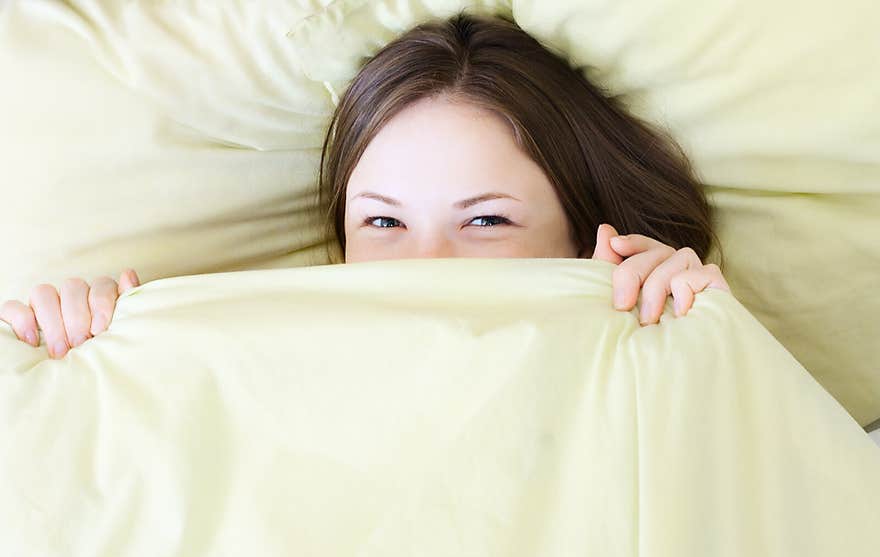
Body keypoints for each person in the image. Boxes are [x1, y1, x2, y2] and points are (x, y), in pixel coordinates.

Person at [0, 11, 730, 360]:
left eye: (485, 222)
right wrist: (75, 347)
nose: (425, 263)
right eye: (384, 224)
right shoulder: (264, 360)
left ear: (583, 230)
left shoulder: (654, 340)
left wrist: (703, 336)